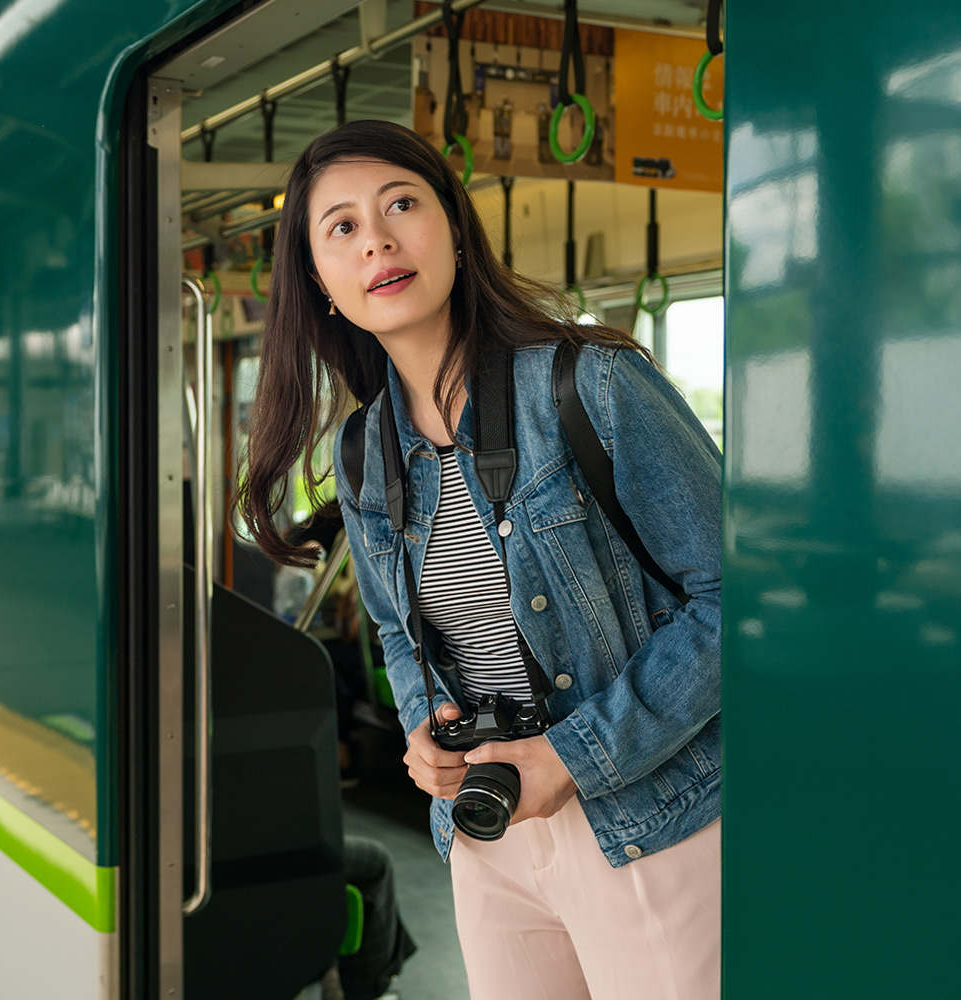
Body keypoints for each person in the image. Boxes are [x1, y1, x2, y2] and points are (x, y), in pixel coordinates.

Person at [237, 120, 722, 999]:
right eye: (340, 227)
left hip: (648, 816)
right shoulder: (362, 451)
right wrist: (427, 735)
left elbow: (739, 598)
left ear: (454, 228)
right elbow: (396, 628)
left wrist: (576, 756)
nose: (377, 237)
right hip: (487, 831)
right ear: (321, 281)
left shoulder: (592, 384)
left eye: (401, 204)